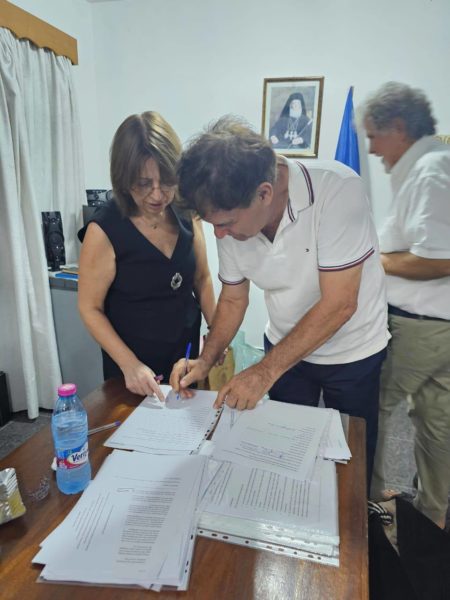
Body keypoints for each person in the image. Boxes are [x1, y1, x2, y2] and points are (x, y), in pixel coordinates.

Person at [170, 116, 389, 482]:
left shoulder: (337, 190)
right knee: (286, 453)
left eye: (225, 223)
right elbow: (233, 299)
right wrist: (206, 359)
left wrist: (263, 372)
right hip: (286, 344)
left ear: (264, 193)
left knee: (350, 461)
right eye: (213, 225)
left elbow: (340, 304)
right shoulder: (230, 215)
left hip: (352, 351)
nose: (219, 234)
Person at [78, 111, 216, 401]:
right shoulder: (104, 229)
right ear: (124, 179)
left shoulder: (186, 211)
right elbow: (90, 308)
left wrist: (217, 336)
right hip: (133, 367)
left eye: (167, 181)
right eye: (143, 183)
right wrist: (130, 365)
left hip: (185, 358)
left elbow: (202, 280)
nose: (157, 194)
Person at [362, 82, 450, 528]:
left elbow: (440, 259)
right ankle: (432, 515)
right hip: (439, 326)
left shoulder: (430, 172)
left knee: (373, 406)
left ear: (398, 127)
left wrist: (376, 260)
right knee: (435, 420)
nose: (371, 149)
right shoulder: (436, 164)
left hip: (420, 326)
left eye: (374, 136)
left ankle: (369, 506)